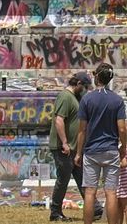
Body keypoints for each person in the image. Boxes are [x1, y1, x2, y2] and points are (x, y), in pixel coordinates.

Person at [75, 63, 127, 224]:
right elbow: (122, 129)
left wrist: (78, 153)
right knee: (111, 192)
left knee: (90, 192)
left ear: (96, 76)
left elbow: (82, 130)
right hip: (111, 149)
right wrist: (123, 148)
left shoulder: (87, 99)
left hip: (91, 151)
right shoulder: (117, 100)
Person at [50, 73, 102, 222]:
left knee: (83, 179)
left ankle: (96, 209)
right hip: (63, 148)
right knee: (63, 179)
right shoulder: (65, 97)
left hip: (74, 149)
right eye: (85, 87)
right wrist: (65, 143)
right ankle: (55, 211)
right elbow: (59, 120)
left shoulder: (75, 99)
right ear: (78, 83)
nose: (85, 90)